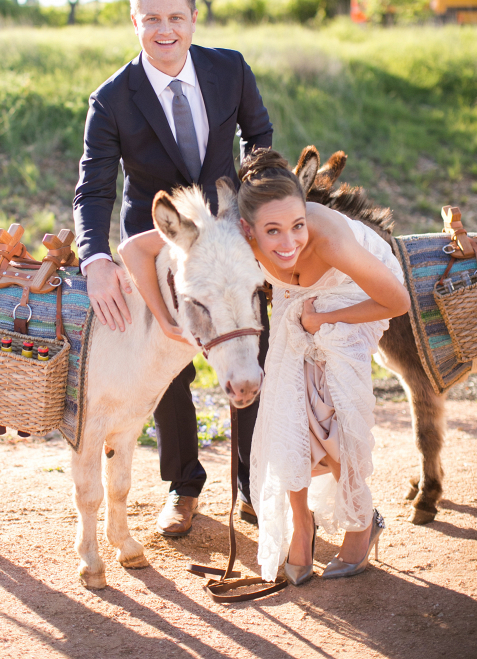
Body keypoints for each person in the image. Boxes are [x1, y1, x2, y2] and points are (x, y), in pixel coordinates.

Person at [119, 148, 410, 584]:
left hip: (352, 298)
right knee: (285, 407)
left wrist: (322, 318)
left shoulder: (327, 238)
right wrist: (164, 318)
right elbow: (132, 248)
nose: (289, 243)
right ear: (245, 230)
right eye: (272, 231)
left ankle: (362, 523)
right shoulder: (234, 239)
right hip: (297, 302)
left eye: (297, 225)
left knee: (332, 414)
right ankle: (303, 526)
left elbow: (396, 301)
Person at [73, 0, 273, 537]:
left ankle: (253, 483)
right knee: (168, 370)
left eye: (176, 17)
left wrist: (255, 211)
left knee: (247, 343)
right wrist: (94, 261)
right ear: (136, 22)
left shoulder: (229, 68)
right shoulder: (111, 99)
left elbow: (259, 139)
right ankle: (184, 487)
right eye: (152, 18)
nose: (165, 29)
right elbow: (95, 188)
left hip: (231, 238)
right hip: (158, 245)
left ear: (192, 20)